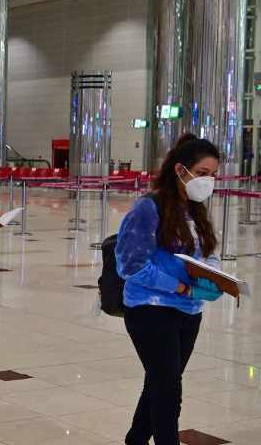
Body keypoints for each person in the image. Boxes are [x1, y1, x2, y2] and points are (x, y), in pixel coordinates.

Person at [115, 134, 223, 445]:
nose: (208, 181)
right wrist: (181, 288)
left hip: (189, 313)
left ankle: (136, 439)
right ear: (180, 170)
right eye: (202, 173)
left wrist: (213, 275)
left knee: (161, 383)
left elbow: (208, 251)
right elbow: (131, 266)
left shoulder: (196, 209)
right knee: (168, 392)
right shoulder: (148, 208)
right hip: (151, 310)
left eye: (213, 175)